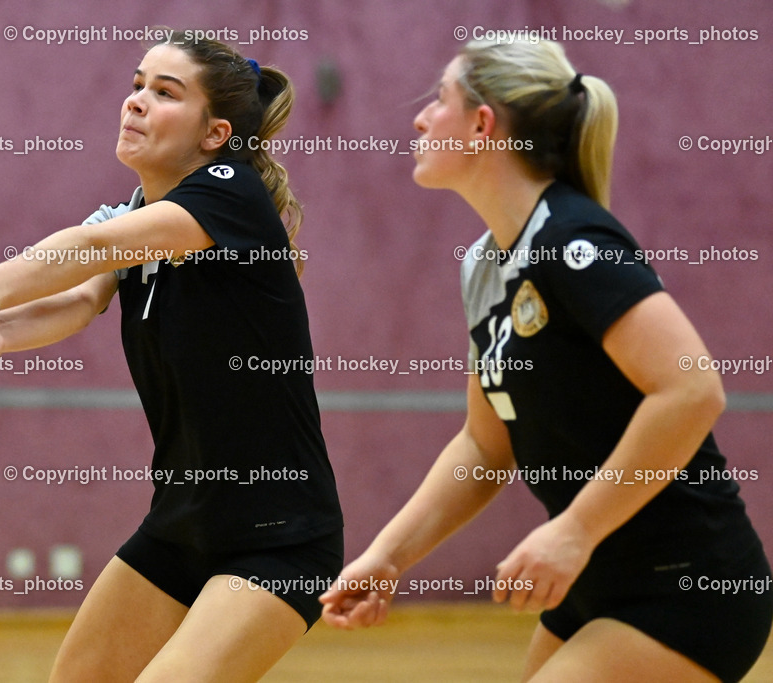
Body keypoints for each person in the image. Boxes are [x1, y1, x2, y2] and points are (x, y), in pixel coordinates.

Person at [319, 38, 772, 682]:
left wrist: (573, 532)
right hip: (592, 586)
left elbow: (691, 391)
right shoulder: (484, 265)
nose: (419, 119)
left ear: (483, 124)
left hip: (686, 585)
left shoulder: (574, 239)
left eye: (438, 99)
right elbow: (484, 448)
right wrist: (388, 556)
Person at [0, 35, 343, 682]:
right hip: (181, 522)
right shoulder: (135, 214)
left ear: (215, 134)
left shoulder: (230, 193)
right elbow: (74, 301)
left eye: (165, 93)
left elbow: (91, 247)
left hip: (279, 536)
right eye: (138, 83)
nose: (137, 102)